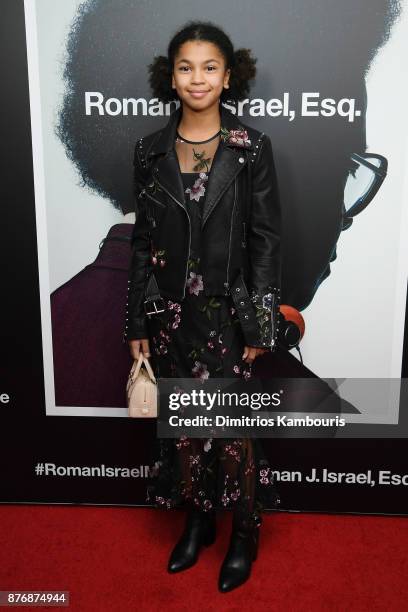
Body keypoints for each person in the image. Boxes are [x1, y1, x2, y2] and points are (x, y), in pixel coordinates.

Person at [124, 20, 282, 593]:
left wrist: (261, 320)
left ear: (228, 75)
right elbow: (142, 242)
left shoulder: (251, 149)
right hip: (171, 315)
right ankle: (198, 520)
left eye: (209, 67)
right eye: (186, 67)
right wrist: (136, 318)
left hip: (229, 313)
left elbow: (266, 239)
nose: (198, 78)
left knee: (231, 426)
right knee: (186, 425)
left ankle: (243, 528)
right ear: (170, 76)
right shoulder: (149, 151)